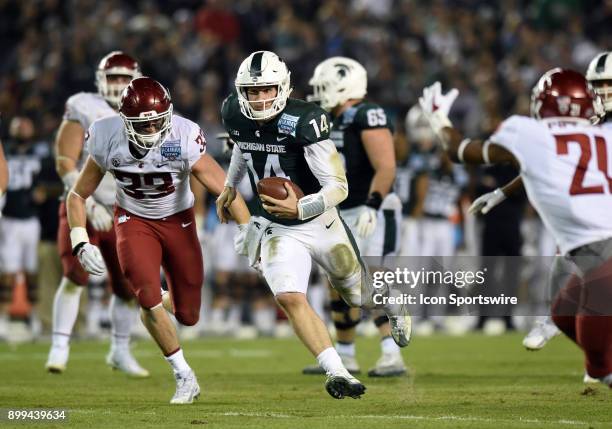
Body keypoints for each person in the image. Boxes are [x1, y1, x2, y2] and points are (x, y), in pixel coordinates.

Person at [216, 51, 411, 399]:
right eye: (252, 91)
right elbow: (242, 147)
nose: (259, 99)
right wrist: (230, 185)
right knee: (289, 296)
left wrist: (301, 205)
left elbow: (339, 187)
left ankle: (392, 304)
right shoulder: (234, 111)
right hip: (278, 227)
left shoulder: (304, 119)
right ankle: (338, 372)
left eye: (267, 90)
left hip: (321, 222)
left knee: (357, 295)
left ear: (284, 87)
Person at [418, 68, 612, 385]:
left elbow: (458, 151)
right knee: (563, 317)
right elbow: (544, 167)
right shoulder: (604, 135)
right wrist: (502, 192)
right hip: (593, 254)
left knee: (600, 363)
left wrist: (439, 119)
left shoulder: (527, 133)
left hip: (600, 254)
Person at [68, 77, 250, 404]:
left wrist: (248, 228)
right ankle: (184, 375)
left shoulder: (181, 135)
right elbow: (77, 195)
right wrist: (80, 240)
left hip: (178, 222)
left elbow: (223, 186)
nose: (152, 129)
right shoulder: (106, 135)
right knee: (147, 297)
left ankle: (161, 298)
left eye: (157, 121)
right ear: (125, 120)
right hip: (133, 220)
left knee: (188, 315)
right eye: (144, 123)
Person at [469, 51, 612, 352]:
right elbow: (544, 164)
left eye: (609, 84)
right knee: (569, 255)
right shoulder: (586, 121)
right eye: (597, 85)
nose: (603, 91)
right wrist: (503, 192)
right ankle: (555, 318)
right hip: (600, 205)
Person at [45, 51, 147, 376]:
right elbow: (65, 161)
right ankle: (59, 346)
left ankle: (119, 349)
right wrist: (87, 204)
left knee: (128, 288)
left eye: (123, 77)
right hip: (83, 205)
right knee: (76, 276)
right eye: (112, 77)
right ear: (99, 79)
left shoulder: (148, 105)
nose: (118, 84)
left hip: (125, 209)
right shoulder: (83, 106)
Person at [303, 57, 405, 377]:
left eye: (324, 88)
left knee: (370, 280)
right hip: (339, 209)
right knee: (338, 283)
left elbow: (386, 165)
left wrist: (373, 206)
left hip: (370, 209)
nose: (319, 95)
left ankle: (392, 354)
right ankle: (345, 354)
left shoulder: (366, 114)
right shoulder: (326, 119)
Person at [0, 117, 41, 341]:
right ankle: (3, 319)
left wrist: (44, 191)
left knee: (31, 271)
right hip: (10, 219)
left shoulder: (41, 152)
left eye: (25, 126)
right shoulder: (4, 150)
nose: (22, 129)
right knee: (7, 272)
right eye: (18, 126)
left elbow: (51, 180)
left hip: (32, 220)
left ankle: (32, 317)